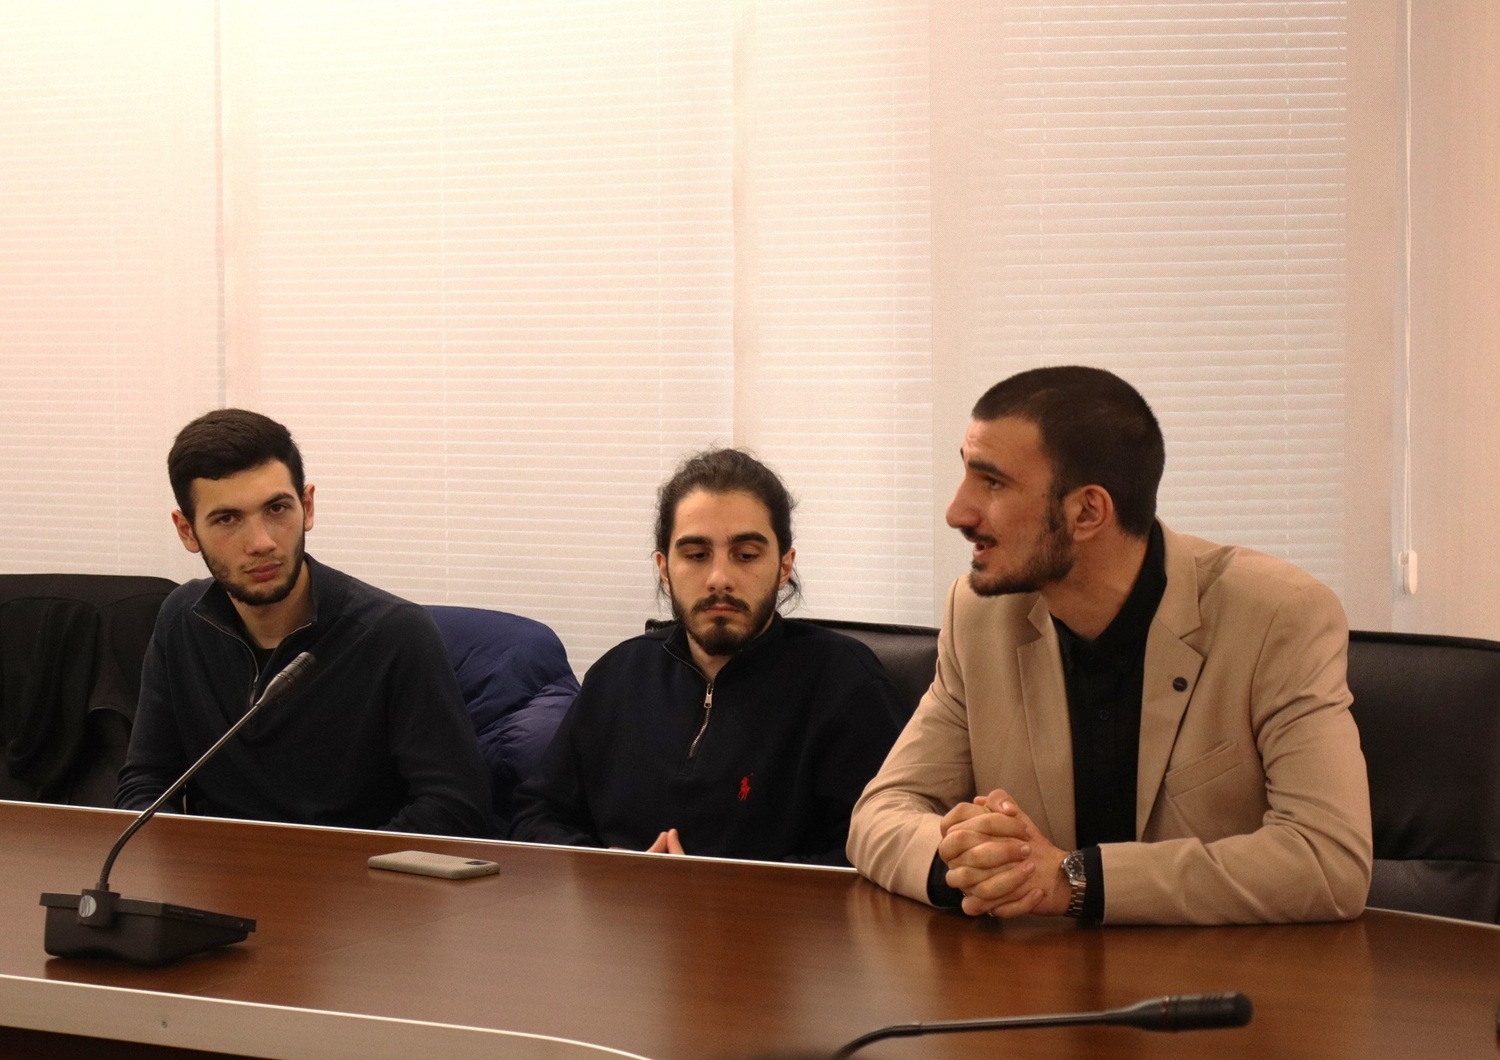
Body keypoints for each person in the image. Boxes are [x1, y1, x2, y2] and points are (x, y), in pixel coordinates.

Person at [848, 366, 1372, 924]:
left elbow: (1328, 861)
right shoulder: (980, 617)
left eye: (993, 483)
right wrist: (969, 860)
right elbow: (880, 813)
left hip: (1221, 972)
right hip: (1036, 971)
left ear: (1087, 512)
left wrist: (1072, 880)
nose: (957, 512)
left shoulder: (1278, 617)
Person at [510, 448, 905, 864]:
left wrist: (719, 889)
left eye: (746, 555)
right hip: (620, 903)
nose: (719, 578)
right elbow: (536, 814)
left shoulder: (844, 684)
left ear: (784, 566)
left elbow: (882, 849)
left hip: (765, 907)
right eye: (697, 556)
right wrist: (610, 870)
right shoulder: (618, 676)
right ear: (665, 568)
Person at [115, 409, 494, 837]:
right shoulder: (181, 620)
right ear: (187, 531)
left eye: (277, 508)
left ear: (307, 506)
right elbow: (146, 783)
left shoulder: (396, 634)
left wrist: (328, 870)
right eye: (227, 519)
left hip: (357, 873)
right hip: (217, 871)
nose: (261, 543)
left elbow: (456, 809)